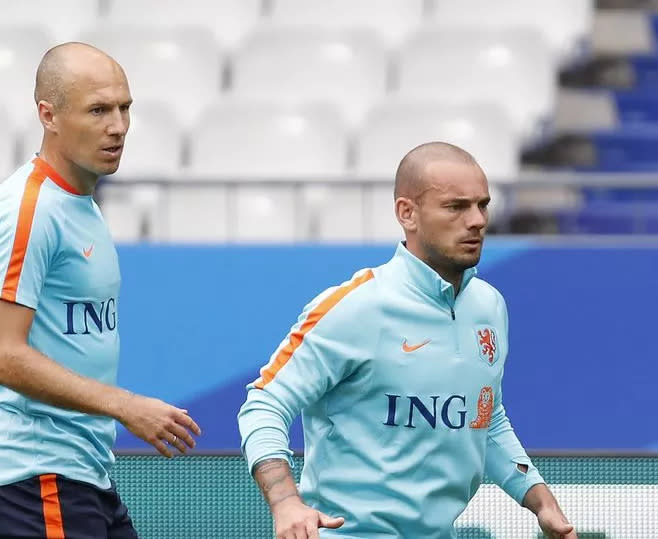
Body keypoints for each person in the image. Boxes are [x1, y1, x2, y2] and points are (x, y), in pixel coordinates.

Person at [237, 142, 576, 539]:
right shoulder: (355, 307)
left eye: (483, 205)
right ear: (407, 213)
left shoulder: (489, 305)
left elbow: (486, 418)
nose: (477, 220)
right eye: (456, 207)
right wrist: (285, 502)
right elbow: (264, 403)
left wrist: (539, 500)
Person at [0, 42, 201, 538]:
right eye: (98, 110)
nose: (117, 126)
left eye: (125, 108)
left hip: (82, 475)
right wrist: (124, 405)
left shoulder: (81, 203)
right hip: (37, 477)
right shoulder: (28, 210)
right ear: (48, 115)